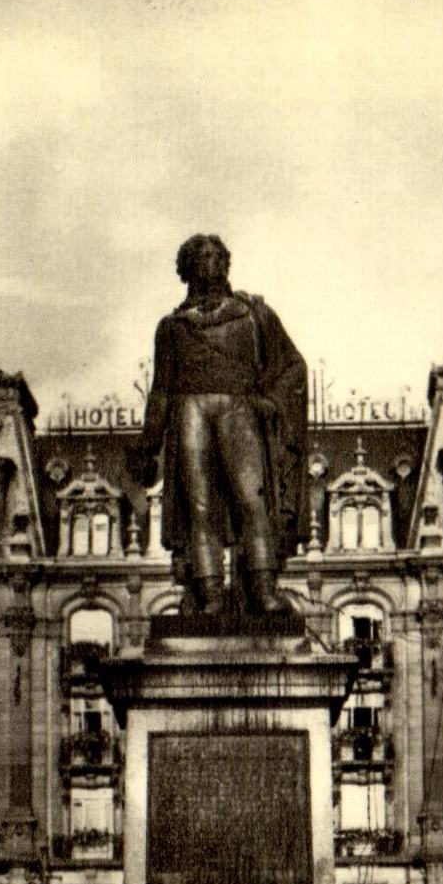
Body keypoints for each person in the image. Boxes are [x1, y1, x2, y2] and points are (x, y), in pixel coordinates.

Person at [136, 234, 308, 616]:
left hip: (240, 409)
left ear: (227, 264)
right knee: (199, 507)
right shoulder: (171, 326)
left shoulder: (254, 314)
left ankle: (263, 590)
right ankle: (210, 595)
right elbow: (162, 388)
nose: (211, 262)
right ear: (187, 267)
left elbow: (293, 364)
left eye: (217, 256)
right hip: (188, 409)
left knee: (253, 500)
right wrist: (148, 445)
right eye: (201, 256)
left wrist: (271, 400)